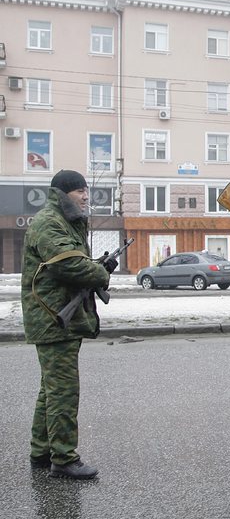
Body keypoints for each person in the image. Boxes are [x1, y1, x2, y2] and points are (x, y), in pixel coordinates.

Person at [21, 170, 117, 479]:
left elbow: (72, 260)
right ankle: (63, 458)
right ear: (63, 195)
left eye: (87, 190)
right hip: (53, 318)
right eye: (79, 191)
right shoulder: (50, 221)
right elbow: (69, 264)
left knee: (50, 389)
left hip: (54, 316)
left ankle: (41, 451)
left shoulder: (62, 220)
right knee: (63, 390)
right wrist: (100, 274)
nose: (86, 196)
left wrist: (96, 266)